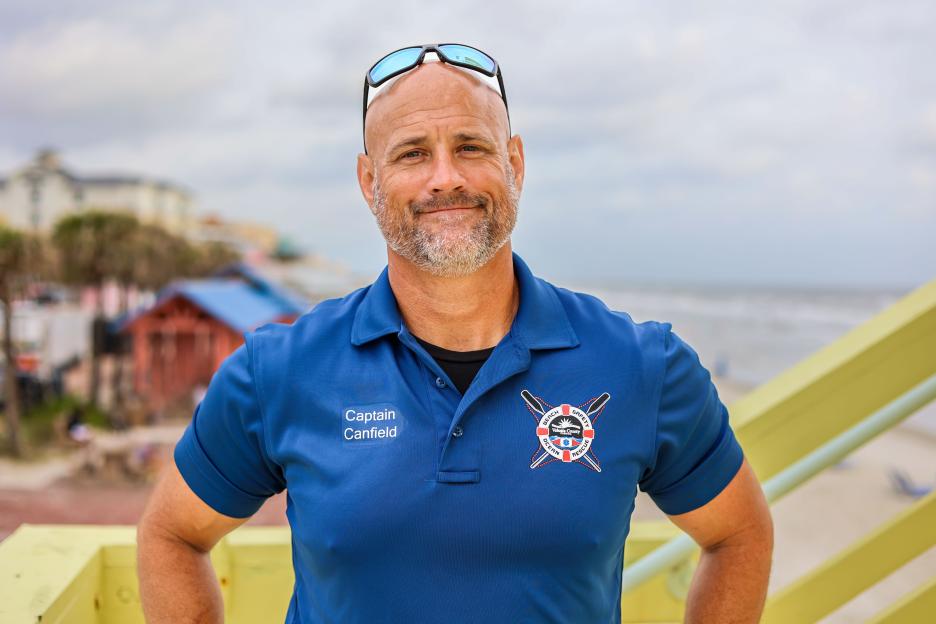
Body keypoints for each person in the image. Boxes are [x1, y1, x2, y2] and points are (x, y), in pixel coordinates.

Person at [137, 43, 773, 623]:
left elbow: (739, 533)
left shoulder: (642, 364)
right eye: (413, 154)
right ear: (369, 182)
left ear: (514, 163)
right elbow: (172, 535)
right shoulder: (278, 370)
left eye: (471, 146)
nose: (447, 177)